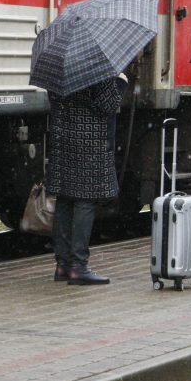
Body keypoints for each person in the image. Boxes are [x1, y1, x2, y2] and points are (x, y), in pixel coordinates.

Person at [46, 74, 127, 285]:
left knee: (64, 199)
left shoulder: (59, 66)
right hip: (88, 140)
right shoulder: (96, 68)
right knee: (85, 200)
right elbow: (108, 104)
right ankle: (78, 267)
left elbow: (53, 99)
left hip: (62, 137)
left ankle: (62, 265)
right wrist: (121, 81)